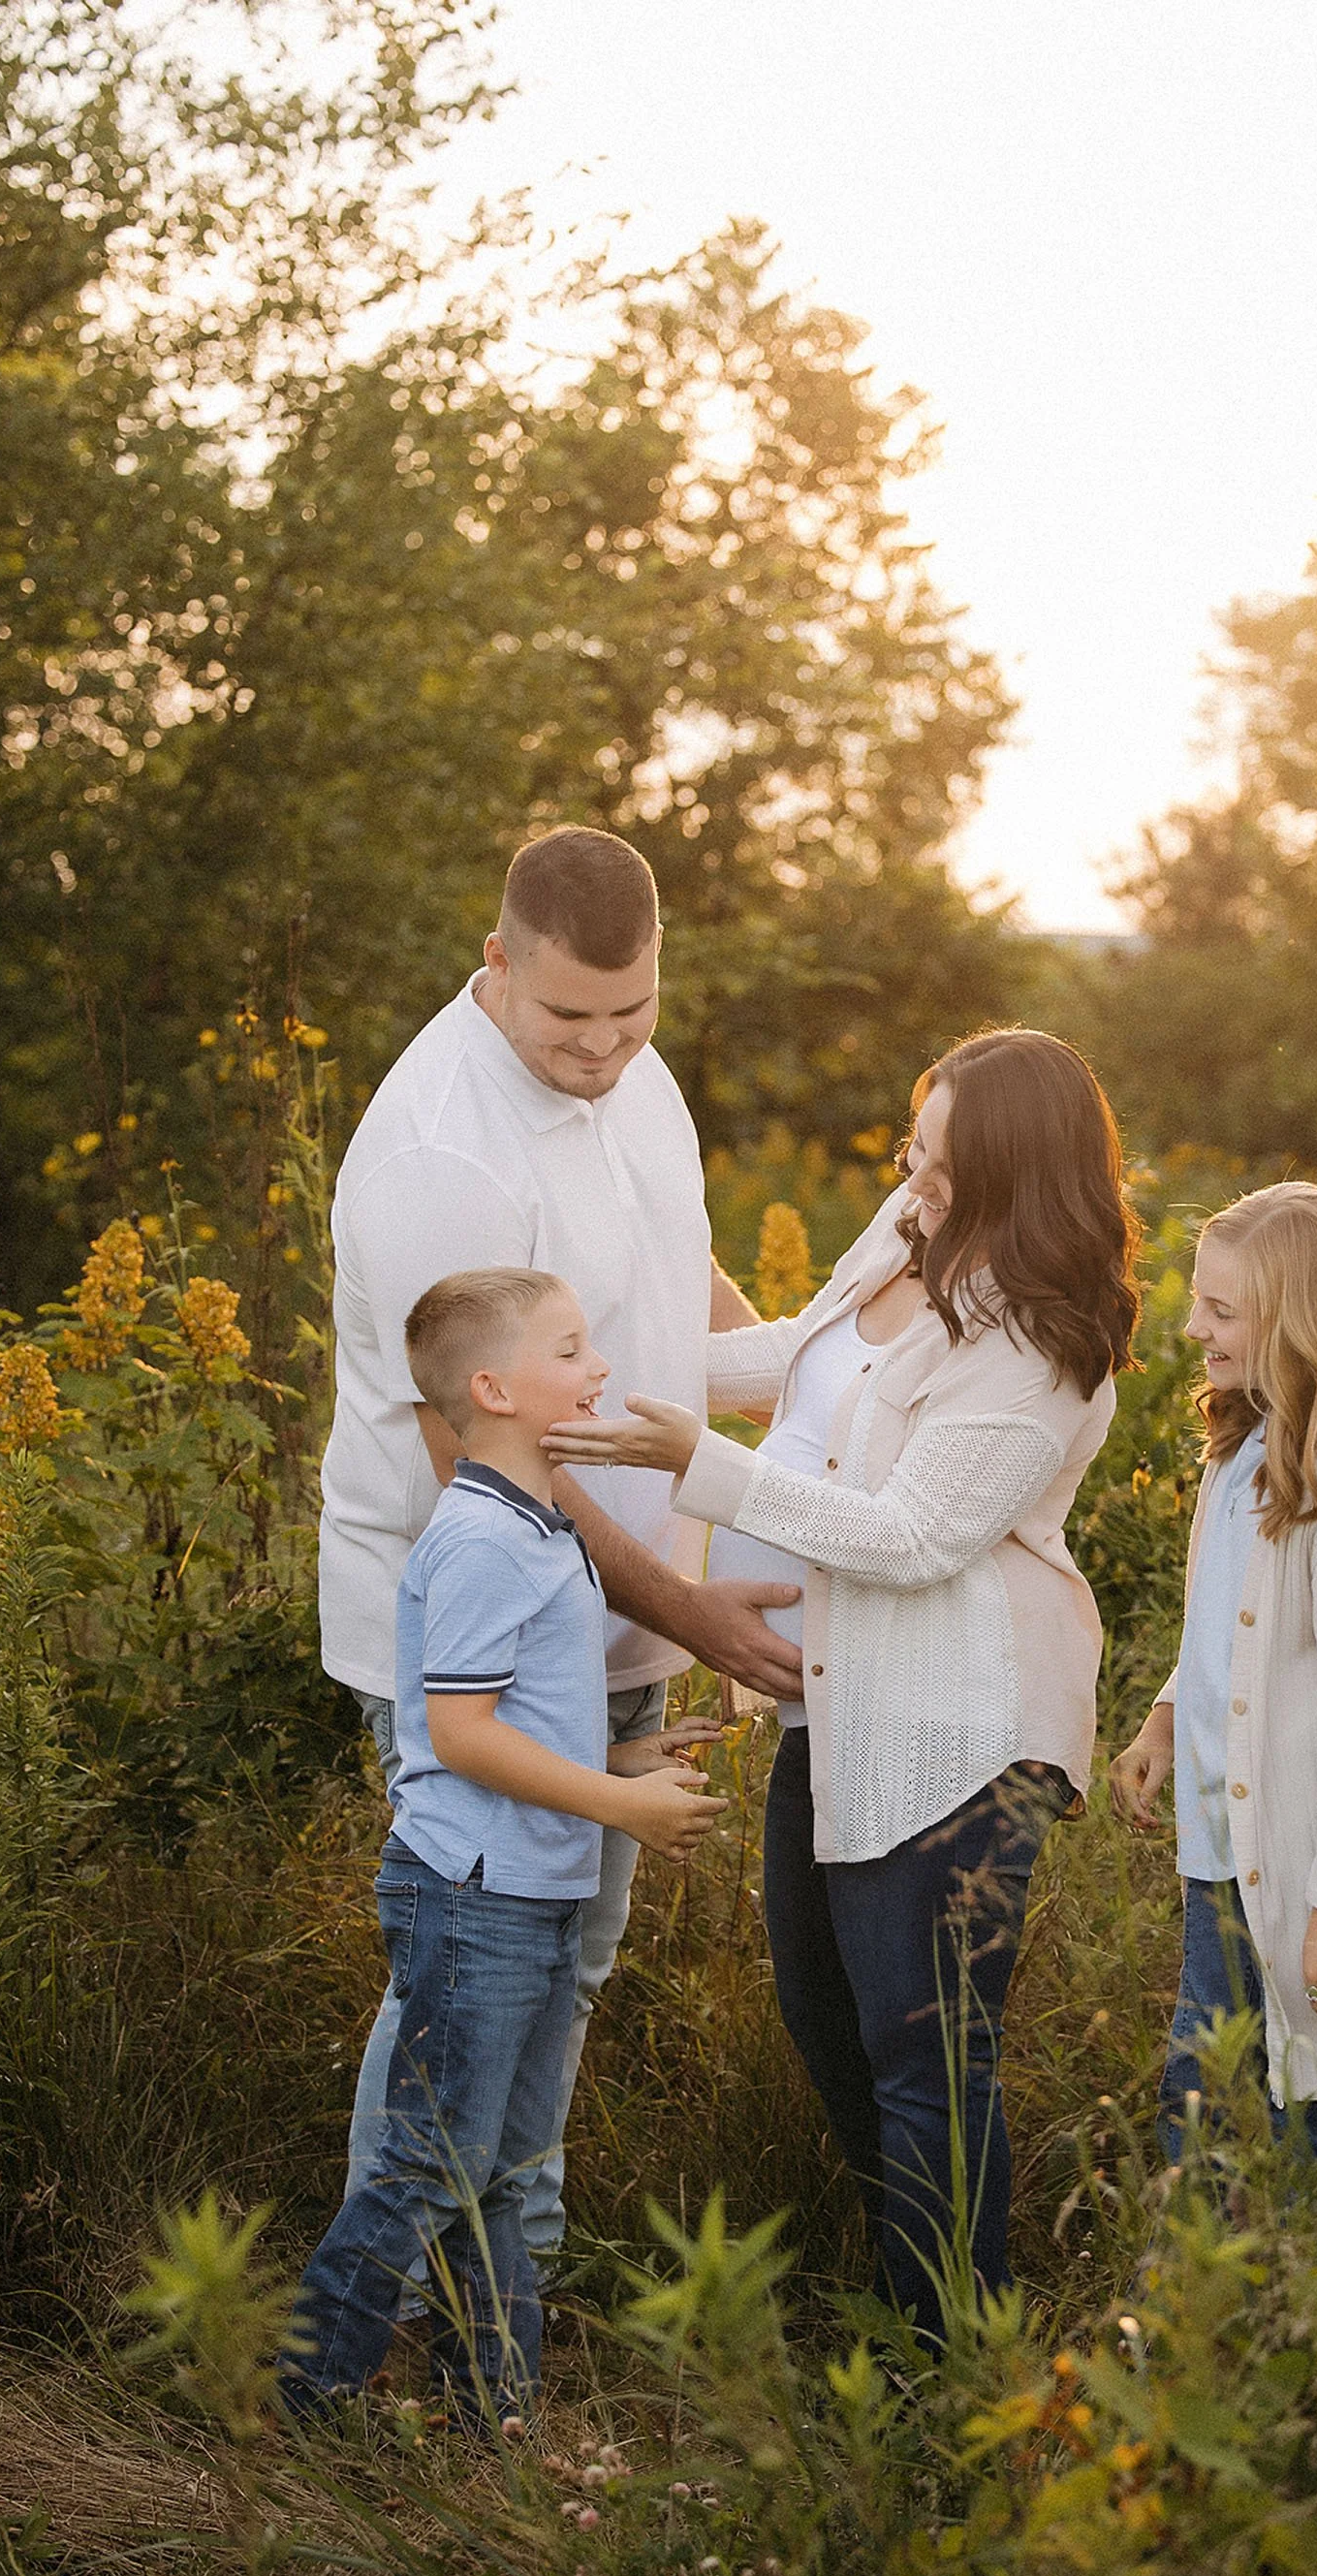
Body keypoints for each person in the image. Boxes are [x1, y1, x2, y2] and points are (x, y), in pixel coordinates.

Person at [548, 1029, 1141, 2344]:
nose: (908, 1178)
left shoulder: (1038, 1342)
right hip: (841, 1697)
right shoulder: (912, 1231)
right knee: (831, 2028)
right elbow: (798, 1359)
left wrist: (695, 1461)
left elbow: (916, 1535)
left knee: (925, 2064)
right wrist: (598, 1374)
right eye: (908, 1149)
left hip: (959, 1732)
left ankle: (950, 2363)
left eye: (935, 1163)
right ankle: (918, 2309)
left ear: (1011, 1174)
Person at [319, 828, 800, 2273]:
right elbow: (491, 1460)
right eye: (566, 1018)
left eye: (630, 1012)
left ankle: (494, 2303)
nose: (600, 1047)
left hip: (622, 1613)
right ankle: (388, 2322)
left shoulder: (631, 1069)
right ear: (496, 966)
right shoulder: (440, 1156)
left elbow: (674, 1264)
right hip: (482, 1636)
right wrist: (694, 1613)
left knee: (568, 1971)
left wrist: (824, 1394)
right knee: (469, 1988)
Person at [281, 1268, 725, 2429]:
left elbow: (517, 1725)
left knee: (503, 2170)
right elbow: (458, 1734)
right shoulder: (480, 1536)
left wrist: (627, 1762)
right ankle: (304, 2406)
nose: (599, 1372)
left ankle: (496, 2413)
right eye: (572, 1351)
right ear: (495, 1387)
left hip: (527, 1892)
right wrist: (621, 1809)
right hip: (471, 1901)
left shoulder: (539, 1522)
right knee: (429, 2164)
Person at [1108, 1181, 1317, 2155]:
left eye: (1220, 1309)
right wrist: (1165, 1719)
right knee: (1204, 2108)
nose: (1190, 1325)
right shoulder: (1251, 1440)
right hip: (1222, 1855)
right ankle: (1204, 2302)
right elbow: (1229, 1630)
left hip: (1302, 1869)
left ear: (1298, 1320)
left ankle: (1302, 2303)